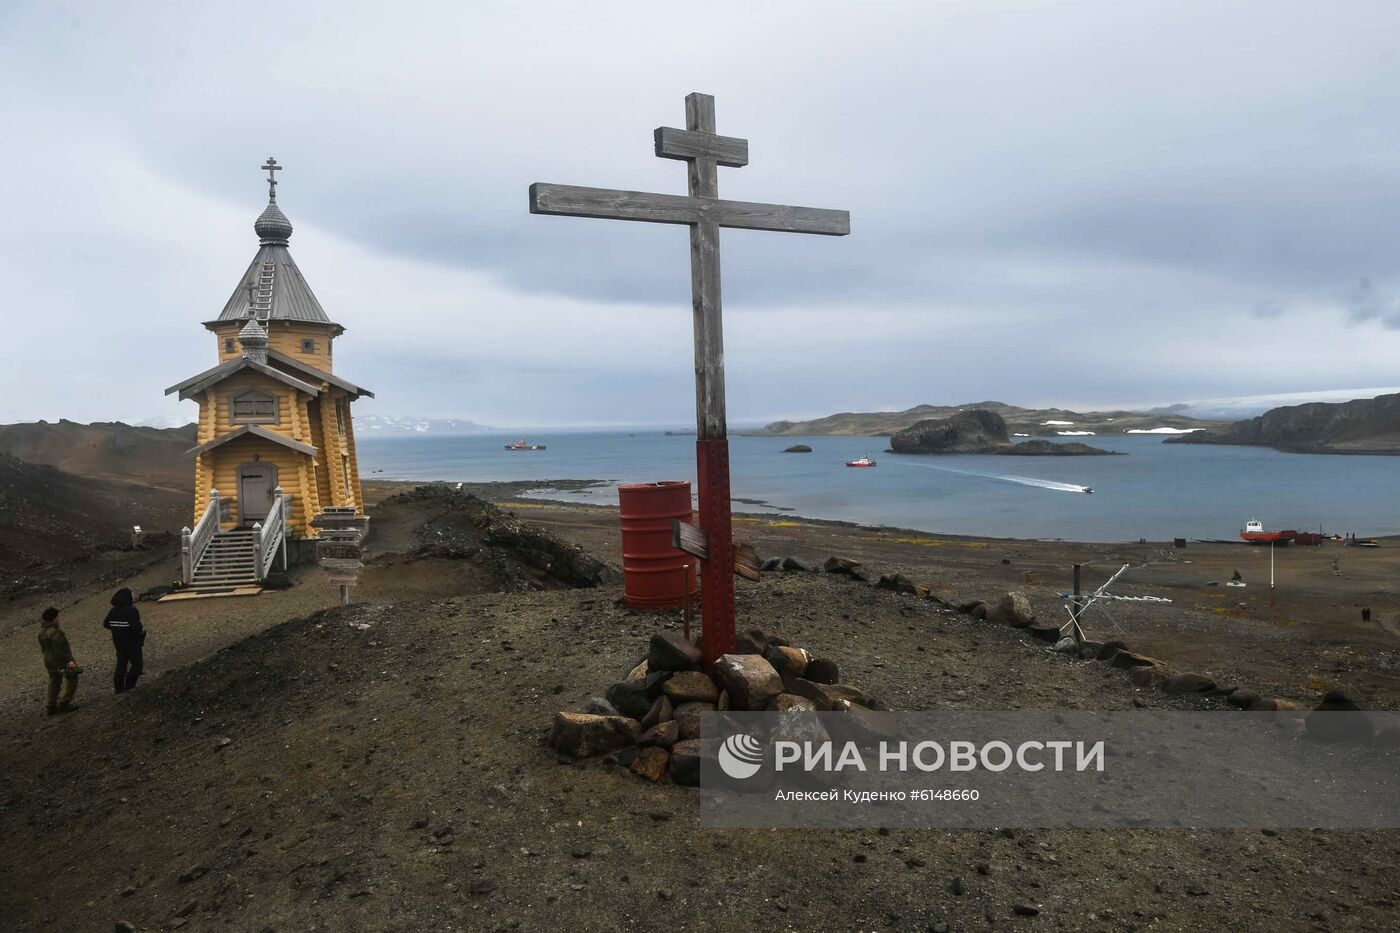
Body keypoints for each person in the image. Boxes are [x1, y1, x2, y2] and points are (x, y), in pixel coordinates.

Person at [38, 607, 80, 715]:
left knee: (54, 680)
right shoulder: (55, 633)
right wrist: (70, 661)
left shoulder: (42, 631)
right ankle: (64, 702)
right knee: (72, 677)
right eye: (57, 617)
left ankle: (51, 705)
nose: (58, 619)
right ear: (53, 619)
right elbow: (61, 650)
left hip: (48, 660)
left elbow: (44, 648)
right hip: (60, 661)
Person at [103, 587, 145, 693]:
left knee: (121, 665)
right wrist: (141, 632)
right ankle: (130, 685)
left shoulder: (113, 610)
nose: (133, 596)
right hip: (132, 643)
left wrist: (117, 629)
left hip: (119, 643)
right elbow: (136, 627)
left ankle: (119, 688)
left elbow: (106, 624)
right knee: (137, 664)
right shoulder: (131, 610)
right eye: (131, 594)